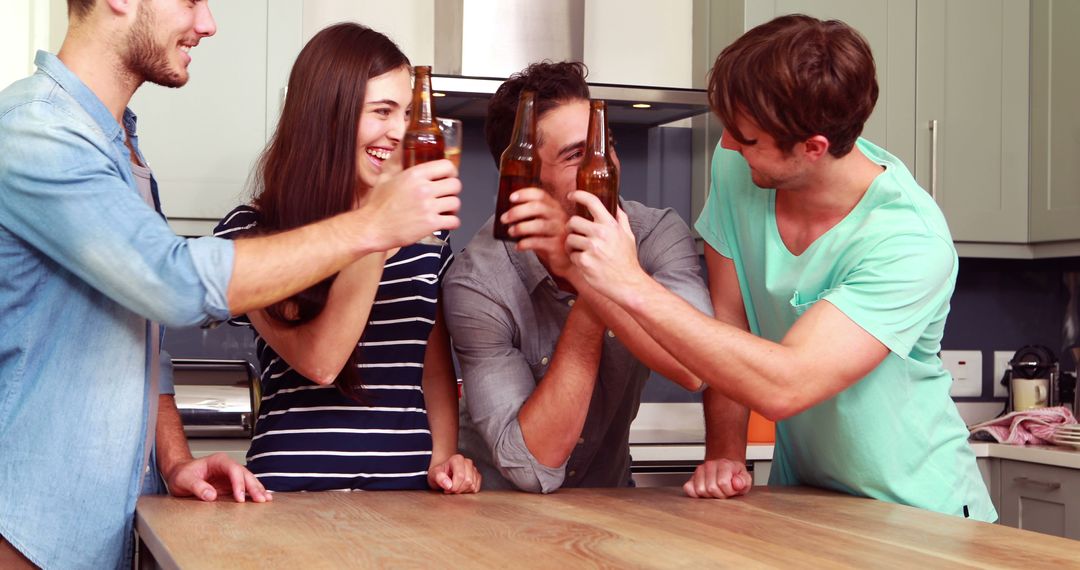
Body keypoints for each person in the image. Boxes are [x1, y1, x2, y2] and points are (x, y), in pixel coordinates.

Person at [0, 0, 460, 567]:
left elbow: (144, 344)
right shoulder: (37, 131)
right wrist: (373, 226)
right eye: (191, 0)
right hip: (30, 528)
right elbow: (173, 284)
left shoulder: (120, 148)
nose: (208, 23)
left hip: (102, 525)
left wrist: (173, 463)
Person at [564, 15, 996, 520]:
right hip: (807, 497)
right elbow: (728, 325)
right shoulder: (739, 169)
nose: (726, 145)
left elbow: (786, 384)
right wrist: (725, 454)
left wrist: (628, 282)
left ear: (812, 147)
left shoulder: (908, 241)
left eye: (746, 138)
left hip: (919, 511)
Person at [443, 61, 745, 494]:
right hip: (497, 512)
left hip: (613, 503)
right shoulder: (479, 280)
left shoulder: (656, 234)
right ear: (523, 177)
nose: (604, 169)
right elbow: (534, 467)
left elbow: (696, 367)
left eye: (607, 147)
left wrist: (595, 274)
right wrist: (592, 285)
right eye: (576, 156)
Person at [214, 23, 480, 494]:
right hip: (290, 498)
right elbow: (320, 360)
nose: (400, 132)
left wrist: (444, 460)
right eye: (382, 112)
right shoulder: (255, 234)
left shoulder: (429, 235)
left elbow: (431, 369)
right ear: (328, 118)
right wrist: (378, 225)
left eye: (408, 113)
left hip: (408, 503)